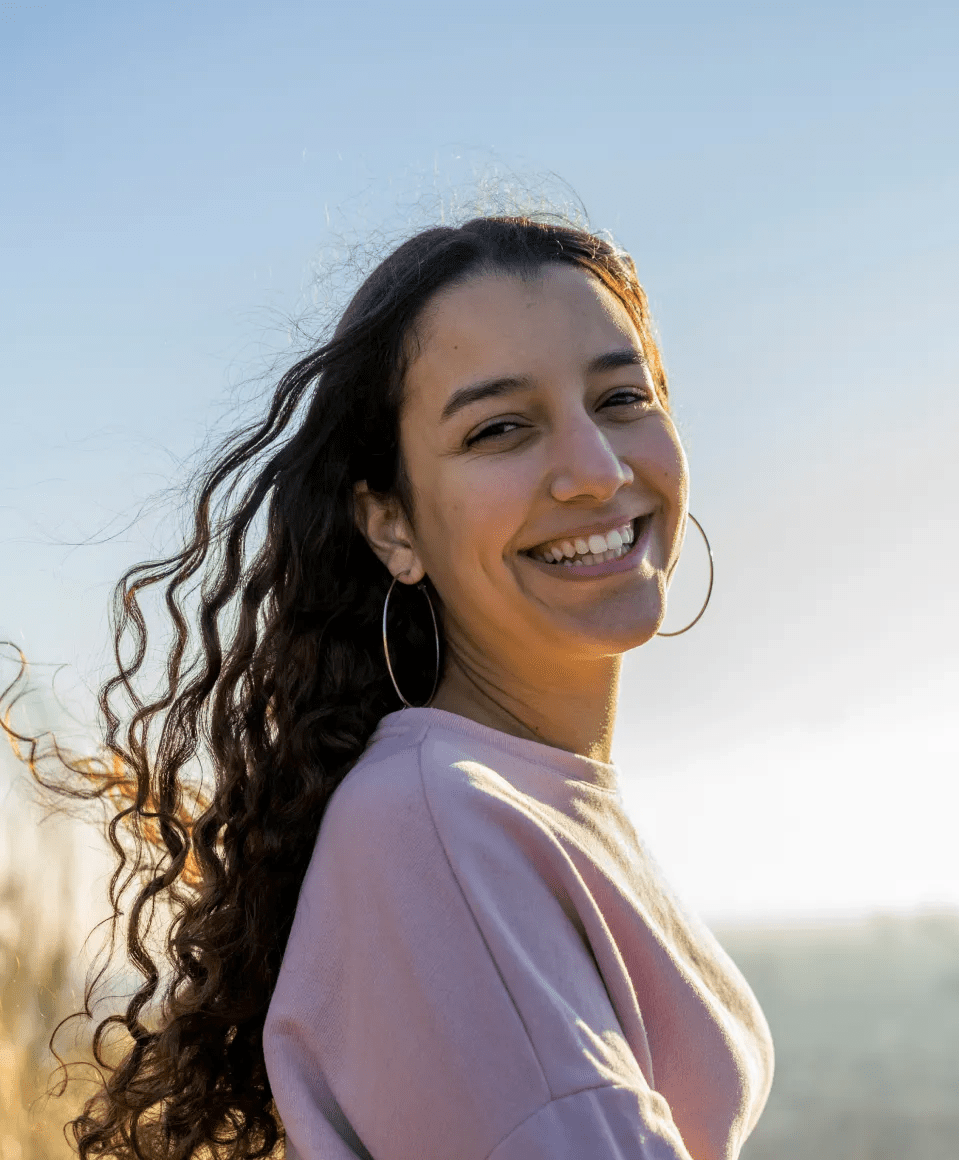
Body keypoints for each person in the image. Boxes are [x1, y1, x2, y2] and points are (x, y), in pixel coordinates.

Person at [3, 217, 773, 1159]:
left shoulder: (512, 795)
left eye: (620, 398)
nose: (597, 472)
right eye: (500, 428)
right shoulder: (438, 821)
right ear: (390, 525)